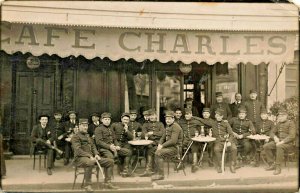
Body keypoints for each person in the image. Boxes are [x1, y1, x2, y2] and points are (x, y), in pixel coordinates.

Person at [71, 118, 117, 191]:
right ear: (79, 126)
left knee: (110, 162)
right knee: (90, 162)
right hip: (80, 159)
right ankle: (87, 185)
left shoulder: (87, 136)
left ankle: (108, 182)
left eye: (86, 126)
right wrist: (89, 156)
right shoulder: (75, 137)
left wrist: (96, 154)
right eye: (83, 126)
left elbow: (93, 147)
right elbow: (78, 150)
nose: (85, 127)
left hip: (92, 158)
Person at [94, 112, 132, 177]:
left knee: (128, 152)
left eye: (108, 119)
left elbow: (114, 139)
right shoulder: (98, 129)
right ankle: (108, 177)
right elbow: (99, 142)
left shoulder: (110, 128)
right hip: (103, 149)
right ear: (102, 120)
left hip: (113, 148)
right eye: (105, 119)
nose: (107, 121)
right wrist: (109, 147)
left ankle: (125, 171)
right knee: (110, 158)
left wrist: (117, 146)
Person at [263, 108, 296, 175]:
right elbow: (271, 132)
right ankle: (272, 164)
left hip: (288, 144)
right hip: (279, 142)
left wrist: (282, 142)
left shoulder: (291, 123)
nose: (280, 117)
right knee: (266, 146)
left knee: (279, 146)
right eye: (279, 116)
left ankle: (278, 167)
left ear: (286, 116)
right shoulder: (278, 124)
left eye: (282, 116)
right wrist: (275, 137)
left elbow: (292, 136)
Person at [151, 111, 183, 181]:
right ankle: (156, 171)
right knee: (152, 150)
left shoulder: (176, 127)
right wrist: (159, 144)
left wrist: (162, 146)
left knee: (158, 153)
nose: (167, 120)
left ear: (173, 119)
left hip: (175, 149)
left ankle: (161, 175)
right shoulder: (168, 126)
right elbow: (163, 137)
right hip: (169, 147)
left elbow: (173, 141)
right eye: (166, 119)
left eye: (169, 119)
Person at [140, 109, 165, 177]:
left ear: (156, 116)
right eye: (150, 115)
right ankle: (151, 169)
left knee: (151, 150)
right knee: (150, 148)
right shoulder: (145, 124)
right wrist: (147, 134)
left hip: (159, 143)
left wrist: (152, 133)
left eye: (153, 115)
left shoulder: (160, 124)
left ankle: (149, 169)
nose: (152, 117)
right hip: (149, 143)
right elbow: (143, 134)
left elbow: (163, 133)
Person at [211, 109, 237, 173]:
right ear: (215, 116)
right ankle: (220, 165)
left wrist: (229, 141)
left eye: (219, 116)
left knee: (234, 148)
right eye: (217, 116)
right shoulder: (213, 123)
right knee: (216, 149)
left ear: (222, 116)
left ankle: (232, 165)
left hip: (227, 140)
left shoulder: (226, 123)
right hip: (218, 141)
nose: (218, 117)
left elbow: (231, 134)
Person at [178, 108, 203, 173]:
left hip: (193, 139)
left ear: (191, 114)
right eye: (186, 114)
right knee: (179, 147)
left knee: (194, 146)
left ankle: (194, 165)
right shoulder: (181, 122)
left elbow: (202, 128)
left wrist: (199, 134)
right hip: (185, 139)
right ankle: (180, 163)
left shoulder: (196, 121)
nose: (187, 116)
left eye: (188, 114)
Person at [111, 113, 133, 177]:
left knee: (129, 151)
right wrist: (117, 144)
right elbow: (112, 136)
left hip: (125, 143)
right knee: (124, 153)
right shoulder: (115, 125)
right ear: (121, 119)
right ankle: (122, 170)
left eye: (127, 120)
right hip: (116, 142)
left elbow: (131, 137)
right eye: (124, 119)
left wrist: (127, 130)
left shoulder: (129, 127)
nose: (126, 121)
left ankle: (125, 170)